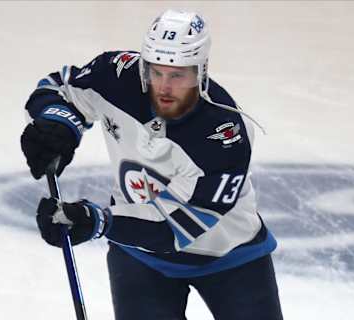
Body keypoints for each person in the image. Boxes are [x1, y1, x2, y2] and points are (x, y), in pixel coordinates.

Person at [20, 9, 283, 320]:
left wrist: (98, 221)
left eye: (178, 75)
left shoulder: (224, 135)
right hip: (140, 257)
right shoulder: (117, 76)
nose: (164, 87)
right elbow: (57, 88)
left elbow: (172, 229)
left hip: (231, 256)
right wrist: (59, 124)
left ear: (201, 71)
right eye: (155, 72)